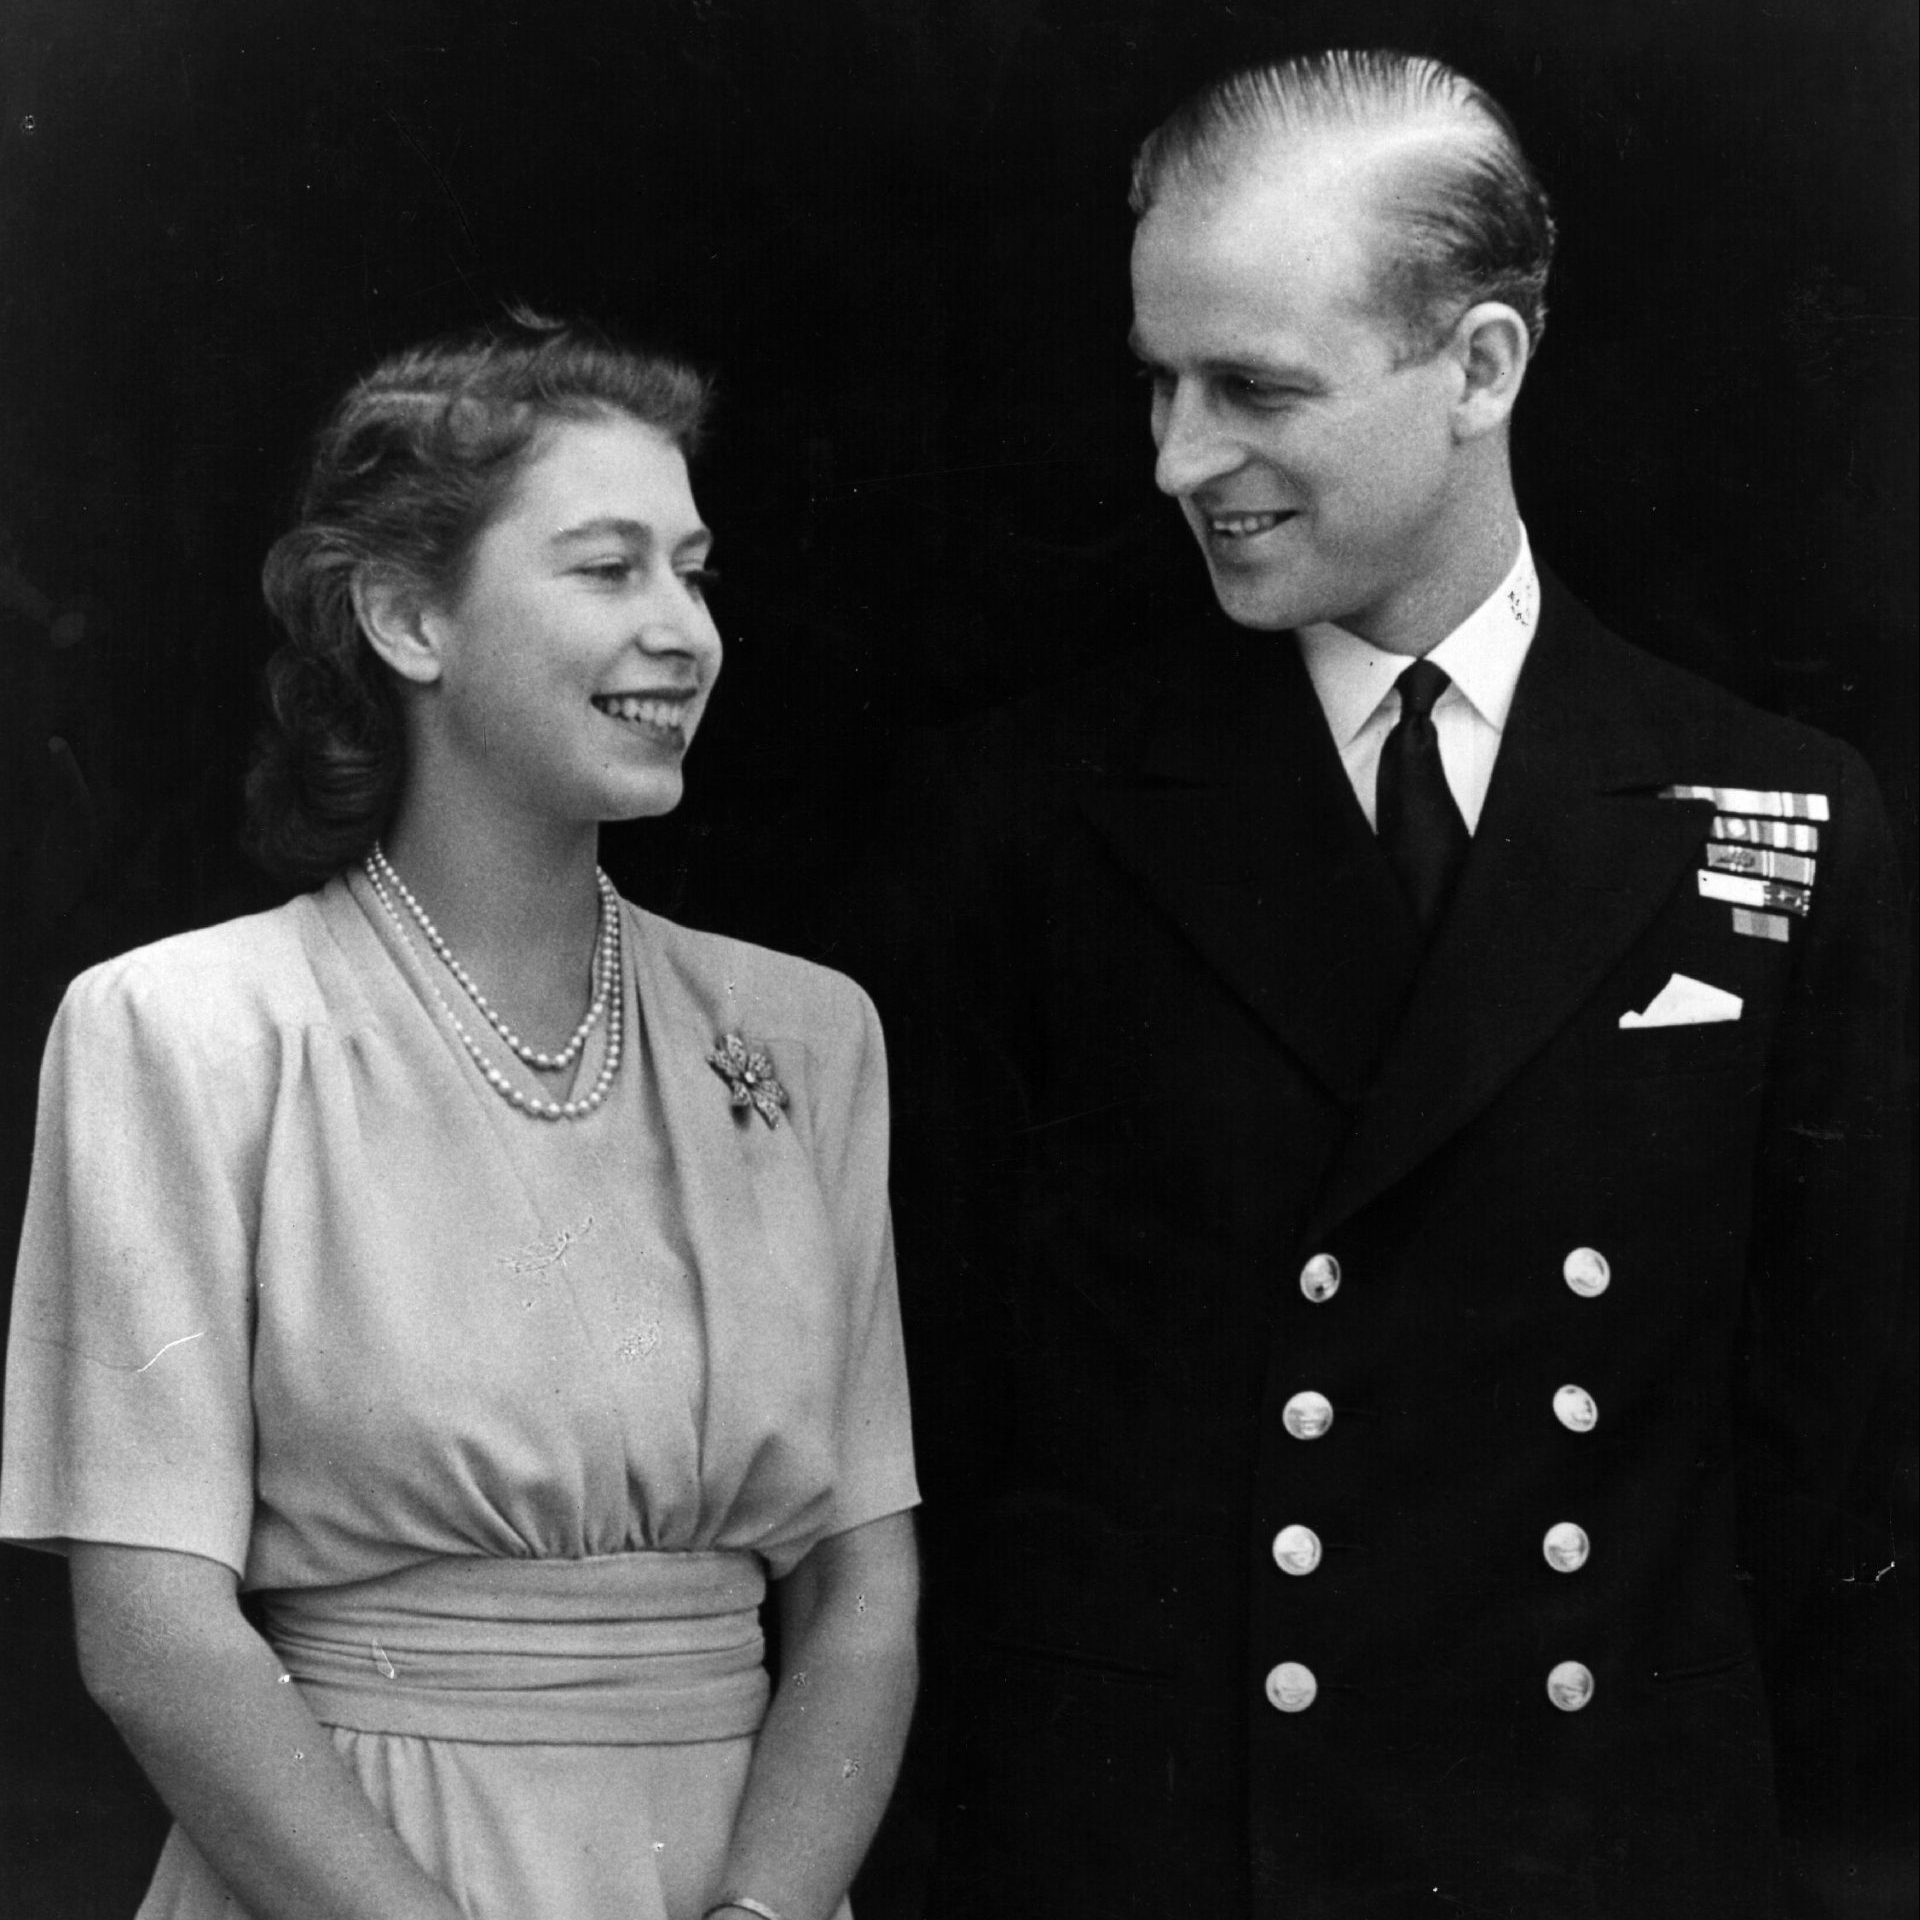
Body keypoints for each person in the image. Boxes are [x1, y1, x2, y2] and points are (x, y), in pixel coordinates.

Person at [854, 50, 1905, 1918]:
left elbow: (1830, 1436)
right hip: (1174, 1847)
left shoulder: (1778, 808)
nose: (1181, 459)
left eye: (1257, 389)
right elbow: (952, 1407)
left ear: (1482, 368)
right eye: (1160, 385)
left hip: (1596, 1845)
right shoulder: (1027, 811)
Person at [0, 315, 920, 1920]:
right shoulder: (187, 1035)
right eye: (608, 567)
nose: (686, 630)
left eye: (693, 571)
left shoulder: (806, 1036)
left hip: (740, 1881)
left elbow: (863, 1591)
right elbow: (152, 1639)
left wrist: (769, 1914)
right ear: (409, 616)